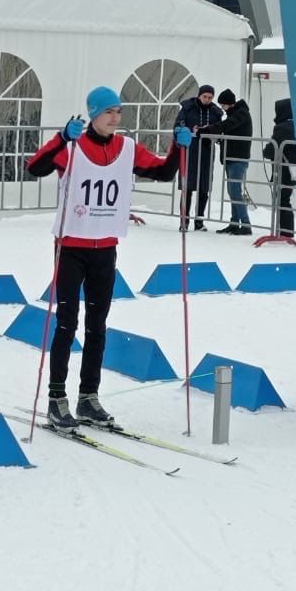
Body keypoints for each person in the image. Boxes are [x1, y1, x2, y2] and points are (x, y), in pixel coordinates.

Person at [27, 86, 191, 430]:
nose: (115, 118)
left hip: (106, 249)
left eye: (119, 111)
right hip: (71, 247)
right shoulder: (73, 146)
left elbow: (162, 172)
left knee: (97, 326)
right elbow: (35, 167)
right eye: (108, 112)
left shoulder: (126, 147)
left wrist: (179, 146)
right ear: (93, 115)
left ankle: (89, 397)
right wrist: (59, 138)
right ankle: (57, 399)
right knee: (66, 324)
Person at [174, 84, 219, 230]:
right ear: (199, 95)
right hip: (189, 152)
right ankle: (184, 221)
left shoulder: (215, 112)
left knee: (204, 188)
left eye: (210, 97)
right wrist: (188, 130)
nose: (207, 100)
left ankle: (199, 221)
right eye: (204, 96)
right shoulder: (187, 108)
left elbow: (220, 130)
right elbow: (177, 126)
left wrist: (213, 134)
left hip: (206, 153)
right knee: (187, 188)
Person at [211, 89, 254, 235]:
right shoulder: (235, 114)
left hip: (238, 158)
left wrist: (209, 130)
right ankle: (235, 223)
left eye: (223, 105)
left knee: (235, 190)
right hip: (231, 158)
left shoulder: (241, 114)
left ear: (229, 103)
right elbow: (230, 132)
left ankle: (246, 224)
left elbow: (226, 126)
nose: (222, 108)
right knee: (232, 191)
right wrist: (220, 140)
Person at [263, 97, 296, 237]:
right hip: (292, 170)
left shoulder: (282, 127)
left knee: (282, 200)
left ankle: (286, 231)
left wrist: (265, 151)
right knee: (285, 198)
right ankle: (285, 230)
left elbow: (272, 147)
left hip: (283, 170)